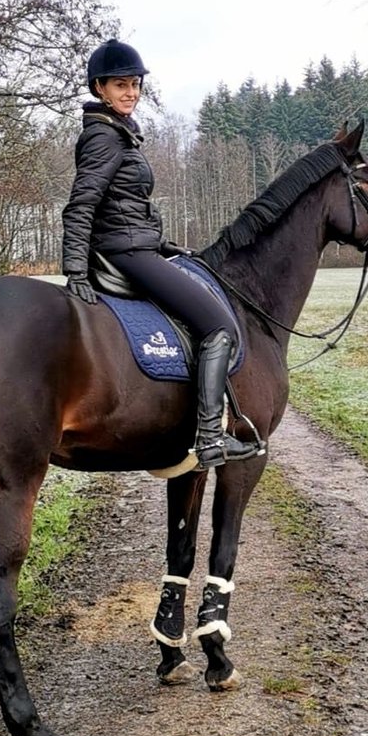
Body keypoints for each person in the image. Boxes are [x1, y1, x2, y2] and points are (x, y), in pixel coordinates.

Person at [61, 37, 262, 469]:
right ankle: (211, 438)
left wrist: (163, 244)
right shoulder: (104, 138)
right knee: (219, 326)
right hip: (126, 256)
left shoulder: (121, 133)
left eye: (135, 84)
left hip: (136, 247)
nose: (130, 92)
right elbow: (82, 205)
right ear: (100, 88)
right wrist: (75, 268)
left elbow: (125, 209)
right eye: (120, 85)